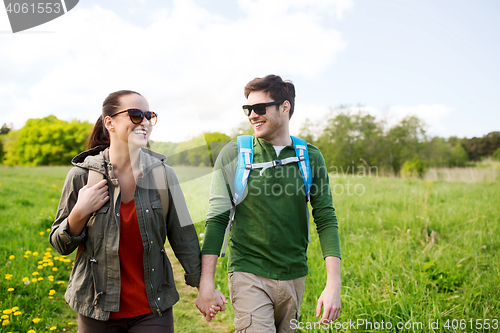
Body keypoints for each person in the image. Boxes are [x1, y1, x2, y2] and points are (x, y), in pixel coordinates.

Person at [50, 90, 220, 332]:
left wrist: (204, 286)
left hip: (153, 309)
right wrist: (80, 211)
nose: (146, 122)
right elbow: (60, 244)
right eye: (136, 115)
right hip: (97, 309)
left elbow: (183, 237)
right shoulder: (82, 176)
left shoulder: (163, 175)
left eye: (149, 115)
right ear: (109, 122)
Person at [195, 75, 342, 332]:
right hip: (248, 272)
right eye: (248, 109)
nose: (252, 115)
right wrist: (205, 284)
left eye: (259, 108)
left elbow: (326, 219)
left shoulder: (310, 158)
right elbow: (217, 218)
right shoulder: (233, 154)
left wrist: (333, 285)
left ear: (284, 108)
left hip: (295, 275)